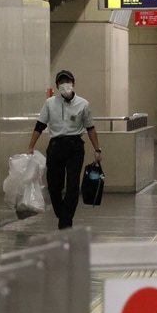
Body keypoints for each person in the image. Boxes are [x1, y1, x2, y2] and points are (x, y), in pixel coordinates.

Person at [28, 69, 102, 230]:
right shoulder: (50, 103)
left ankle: (66, 221)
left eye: (67, 82)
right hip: (56, 146)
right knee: (54, 186)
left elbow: (90, 128)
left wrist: (97, 149)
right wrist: (31, 146)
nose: (64, 85)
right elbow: (40, 125)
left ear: (73, 84)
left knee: (73, 184)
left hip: (75, 146)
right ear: (57, 86)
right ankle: (62, 214)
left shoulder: (83, 104)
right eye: (61, 83)